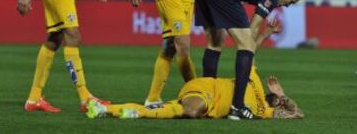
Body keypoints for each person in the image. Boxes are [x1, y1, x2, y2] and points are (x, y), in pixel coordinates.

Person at [86, 20, 304, 120]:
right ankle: (135, 112)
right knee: (190, 111)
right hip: (206, 89)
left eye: (279, 102)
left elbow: (297, 113)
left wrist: (283, 95)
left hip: (207, 103)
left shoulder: (264, 113)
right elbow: (251, 49)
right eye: (278, 101)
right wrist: (266, 33)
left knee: (176, 110)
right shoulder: (253, 80)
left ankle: (109, 109)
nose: (278, 104)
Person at [195, 0, 305, 120]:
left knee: (215, 42)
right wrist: (256, 40)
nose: (287, 5)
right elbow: (253, 26)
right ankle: (237, 106)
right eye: (291, 2)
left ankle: (208, 96)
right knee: (246, 46)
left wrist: (260, 36)